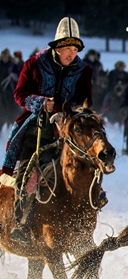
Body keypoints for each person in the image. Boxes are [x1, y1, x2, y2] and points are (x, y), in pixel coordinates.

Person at [1, 17, 92, 244]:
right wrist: (41, 103)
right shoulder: (34, 63)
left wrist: (68, 109)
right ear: (57, 47)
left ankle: (89, 209)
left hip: (67, 128)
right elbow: (19, 93)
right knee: (28, 174)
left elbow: (85, 98)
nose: (72, 53)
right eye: (67, 48)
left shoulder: (84, 70)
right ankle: (21, 224)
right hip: (36, 129)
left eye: (75, 49)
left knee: (86, 165)